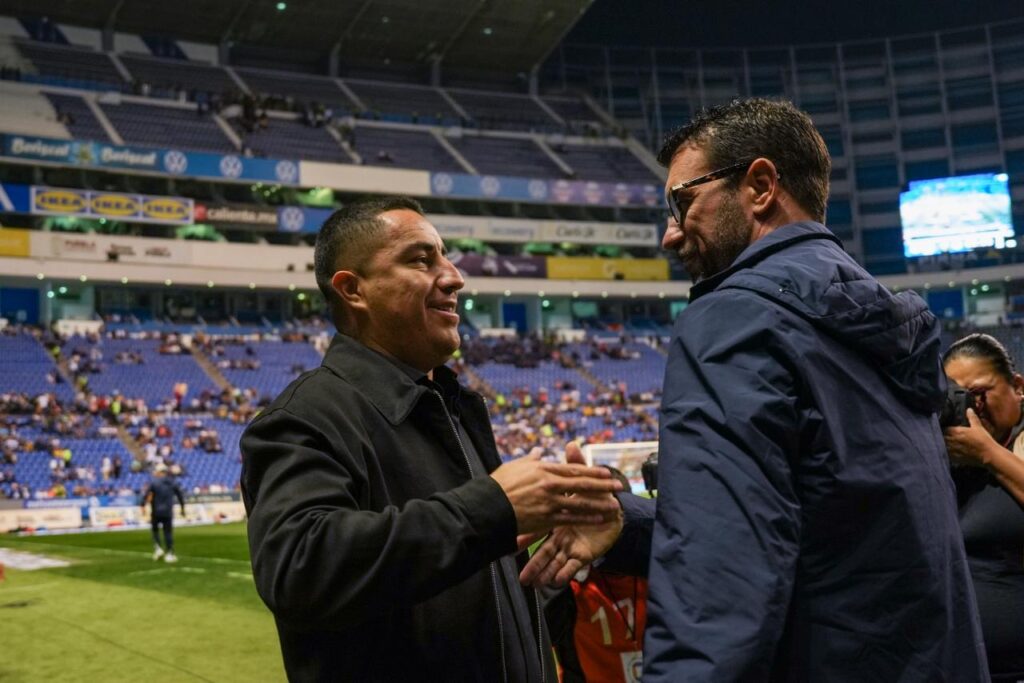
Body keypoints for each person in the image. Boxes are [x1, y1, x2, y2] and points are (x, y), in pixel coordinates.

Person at [522, 98, 989, 681]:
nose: (670, 235)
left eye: (681, 201)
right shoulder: (882, 326)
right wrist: (634, 525)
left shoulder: (735, 319)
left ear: (761, 186)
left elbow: (719, 590)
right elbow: (825, 533)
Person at [240, 195, 623, 682]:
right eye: (422, 259)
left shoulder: (448, 405)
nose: (454, 276)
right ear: (353, 289)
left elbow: (471, 599)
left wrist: (559, 542)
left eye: (446, 256)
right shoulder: (305, 417)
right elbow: (301, 569)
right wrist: (492, 507)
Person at [942, 333, 1024, 681]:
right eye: (959, 397)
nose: (972, 407)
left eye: (979, 393)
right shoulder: (949, 454)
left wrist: (987, 454)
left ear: (1017, 386)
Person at [141, 463, 186, 563]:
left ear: (159, 472)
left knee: (155, 530)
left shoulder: (154, 483)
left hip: (156, 511)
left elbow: (146, 495)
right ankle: (169, 553)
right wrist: (183, 509)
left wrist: (142, 505)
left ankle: (158, 548)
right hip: (168, 512)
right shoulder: (173, 482)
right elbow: (180, 496)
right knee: (168, 533)